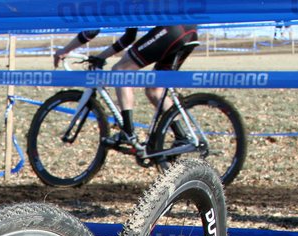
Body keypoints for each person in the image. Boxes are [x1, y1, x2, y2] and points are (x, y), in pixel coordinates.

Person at [53, 26, 198, 148]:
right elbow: (129, 37)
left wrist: (65, 50)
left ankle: (128, 132)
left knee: (120, 71)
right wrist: (102, 57)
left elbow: (92, 30)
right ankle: (181, 136)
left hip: (170, 30)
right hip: (189, 31)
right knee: (155, 90)